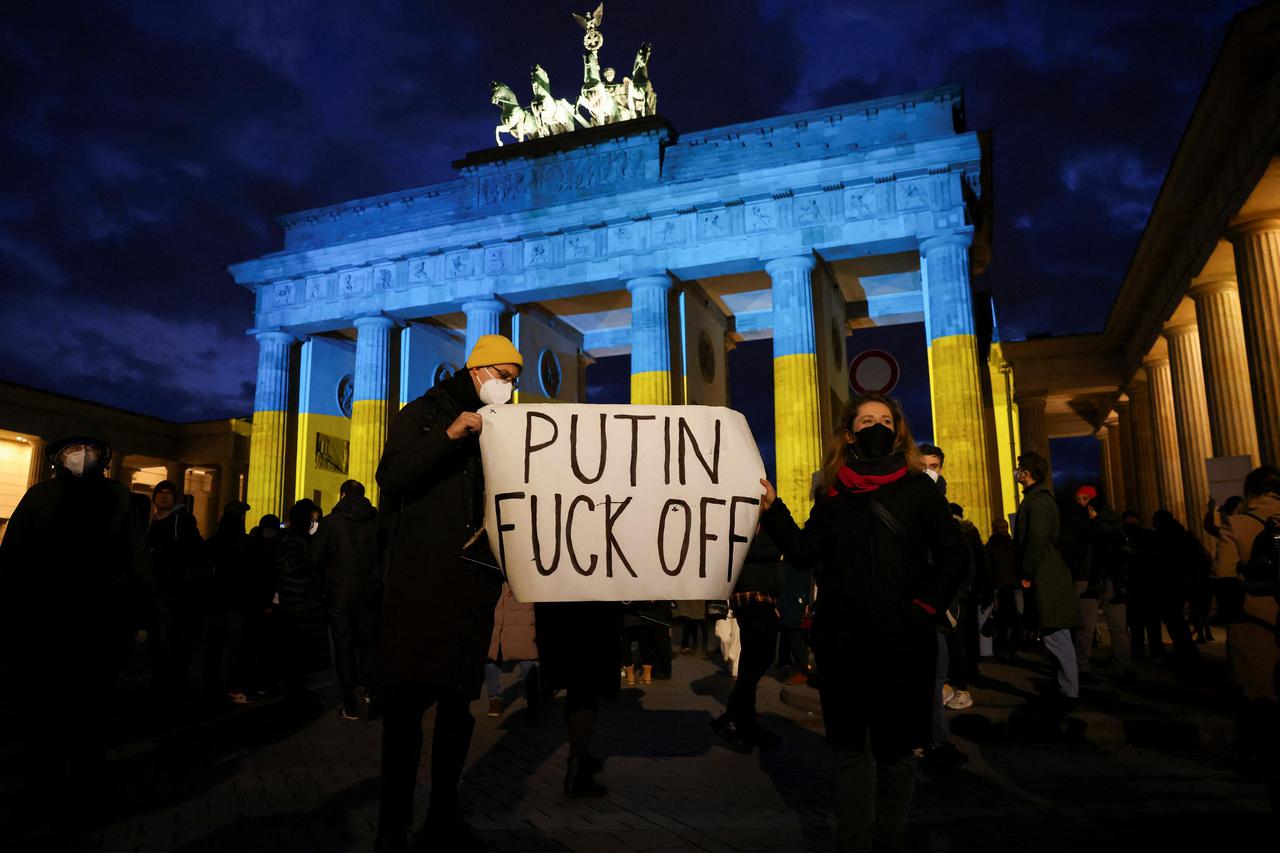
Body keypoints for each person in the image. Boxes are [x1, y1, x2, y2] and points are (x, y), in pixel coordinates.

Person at [759, 393, 968, 852]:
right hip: (843, 640)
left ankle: (888, 841)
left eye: (885, 419)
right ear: (850, 434)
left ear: (898, 431)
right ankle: (854, 844)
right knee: (850, 750)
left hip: (905, 639)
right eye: (867, 420)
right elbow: (803, 552)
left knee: (896, 751)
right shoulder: (832, 494)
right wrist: (773, 508)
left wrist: (923, 610)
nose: (877, 426)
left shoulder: (919, 490)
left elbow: (955, 556)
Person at [367, 334, 520, 851]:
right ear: (477, 372)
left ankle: (442, 815)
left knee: (458, 710)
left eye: (514, 380)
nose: (509, 387)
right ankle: (392, 826)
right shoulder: (428, 413)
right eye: (504, 376)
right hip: (420, 585)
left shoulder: (502, 425)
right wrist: (450, 435)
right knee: (407, 712)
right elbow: (391, 475)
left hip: (471, 585)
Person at [0, 420, 133, 833]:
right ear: (57, 456)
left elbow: (133, 560)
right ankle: (42, 795)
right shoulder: (40, 496)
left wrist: (137, 615)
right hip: (44, 626)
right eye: (72, 448)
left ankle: (86, 793)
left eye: (88, 448)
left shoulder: (119, 498)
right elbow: (12, 557)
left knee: (90, 720)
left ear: (103, 455)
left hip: (97, 626)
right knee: (43, 720)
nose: (80, 455)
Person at [1212, 465, 1280, 789]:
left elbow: (1224, 574)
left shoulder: (1236, 523)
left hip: (1253, 618)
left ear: (1251, 491)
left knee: (1254, 691)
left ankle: (1256, 756)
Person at [308, 479, 383, 720]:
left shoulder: (330, 523)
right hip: (371, 592)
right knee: (369, 643)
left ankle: (350, 702)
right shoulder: (378, 522)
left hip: (339, 594)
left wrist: (323, 590)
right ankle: (370, 692)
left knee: (343, 646)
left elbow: (315, 560)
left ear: (341, 495)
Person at [1013, 452, 1079, 711]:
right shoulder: (1039, 499)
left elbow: (1037, 539)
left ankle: (1069, 691)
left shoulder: (1038, 502)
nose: (1017, 472)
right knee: (1054, 634)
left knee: (1056, 634)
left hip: (1044, 575)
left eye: (1019, 468)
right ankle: (1064, 687)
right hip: (1045, 571)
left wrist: (1027, 572)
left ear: (1027, 473)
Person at [712, 526, 785, 752]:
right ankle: (736, 720)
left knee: (756, 658)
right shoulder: (741, 522)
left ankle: (741, 718)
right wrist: (779, 541)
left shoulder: (762, 525)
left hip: (763, 594)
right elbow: (743, 549)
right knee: (758, 656)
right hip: (750, 595)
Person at [146, 478, 206, 703]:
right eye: (160, 493)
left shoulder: (182, 520)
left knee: (170, 637)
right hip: (157, 588)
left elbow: (191, 549)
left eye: (168, 493)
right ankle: (165, 679)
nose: (163, 496)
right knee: (159, 638)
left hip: (174, 589)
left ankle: (172, 682)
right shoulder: (152, 522)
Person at [1074, 492, 1133, 685]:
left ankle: (1081, 667)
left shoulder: (1088, 527)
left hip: (1090, 579)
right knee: (1119, 628)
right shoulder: (1117, 528)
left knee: (1086, 627)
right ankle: (1122, 667)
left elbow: (1079, 553)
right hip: (1114, 581)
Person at [273, 498, 326, 705]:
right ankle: (294, 693)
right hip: (295, 604)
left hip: (300, 604)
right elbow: (293, 567)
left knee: (299, 654)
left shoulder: (295, 539)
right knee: (294, 653)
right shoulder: (291, 540)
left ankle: (297, 690)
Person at [204, 500, 254, 704]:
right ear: (241, 517)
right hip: (236, 601)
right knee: (234, 648)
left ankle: (211, 686)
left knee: (214, 647)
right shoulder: (244, 542)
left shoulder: (215, 540)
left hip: (216, 600)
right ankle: (231, 687)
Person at [1150, 509, 1207, 681]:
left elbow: (1162, 563)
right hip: (1186, 584)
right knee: (1180, 624)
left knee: (1176, 625)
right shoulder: (1183, 535)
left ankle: (1188, 658)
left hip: (1173, 587)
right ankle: (1188, 655)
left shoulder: (1164, 539)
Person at [484, 582, 539, 718]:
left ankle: (532, 700)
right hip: (499, 611)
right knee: (493, 657)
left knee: (526, 660)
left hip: (520, 611)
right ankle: (494, 700)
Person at [1122, 510, 1163, 659]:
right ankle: (1153, 650)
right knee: (1147, 624)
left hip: (1141, 586)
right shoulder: (1150, 536)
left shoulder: (1128, 540)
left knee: (1138, 623)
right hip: (1147, 586)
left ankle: (1141, 650)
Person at [985, 518, 1022, 660]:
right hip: (1000, 586)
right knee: (1001, 618)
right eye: (1001, 526)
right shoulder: (992, 546)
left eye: (1005, 526)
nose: (1004, 528)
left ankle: (1013, 647)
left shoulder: (1011, 545)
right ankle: (1003, 647)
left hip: (1012, 585)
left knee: (1016, 618)